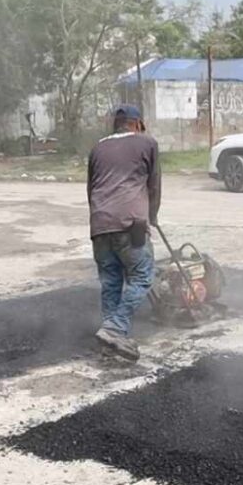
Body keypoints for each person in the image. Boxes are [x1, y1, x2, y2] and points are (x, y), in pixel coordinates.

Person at [87, 104, 161, 361]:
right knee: (142, 276)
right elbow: (153, 187)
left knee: (111, 281)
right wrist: (152, 217)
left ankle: (111, 343)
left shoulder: (98, 147)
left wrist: (99, 221)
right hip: (131, 224)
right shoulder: (147, 143)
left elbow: (91, 189)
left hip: (99, 224)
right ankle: (115, 327)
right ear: (137, 124)